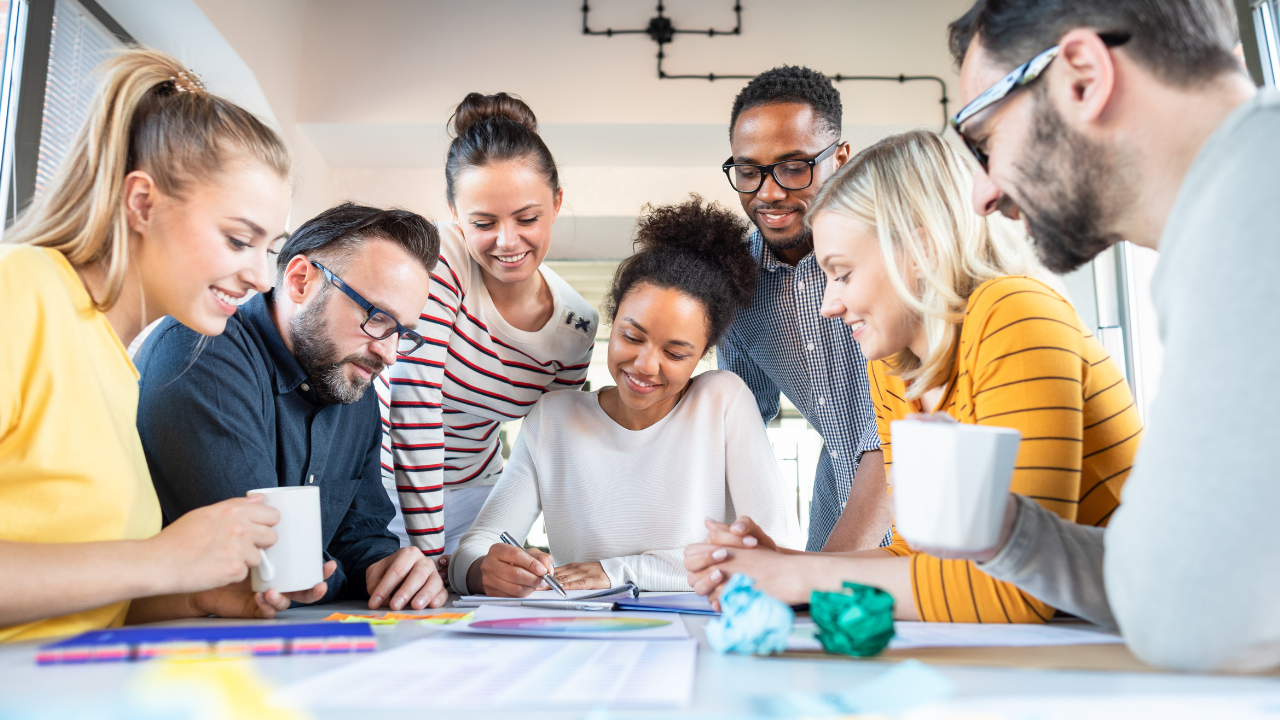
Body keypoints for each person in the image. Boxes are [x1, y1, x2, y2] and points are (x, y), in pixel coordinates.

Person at [933, 0, 1280, 670]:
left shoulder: (1256, 201)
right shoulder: (1235, 197)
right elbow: (1171, 574)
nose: (982, 195)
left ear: (1084, 77)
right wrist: (1004, 530)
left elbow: (1196, 619)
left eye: (982, 140)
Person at [684, 130, 1143, 623]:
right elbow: (913, 557)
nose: (828, 304)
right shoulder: (892, 367)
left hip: (1150, 633)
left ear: (919, 250)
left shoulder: (1014, 311)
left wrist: (799, 578)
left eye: (841, 273)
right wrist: (779, 566)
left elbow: (1020, 588)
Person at [0, 49, 302, 642]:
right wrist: (165, 558)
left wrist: (197, 593)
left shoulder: (116, 363)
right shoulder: (23, 289)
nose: (263, 278)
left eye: (270, 248)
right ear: (143, 203)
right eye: (240, 239)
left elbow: (75, 603)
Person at [451, 197, 802, 596]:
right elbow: (473, 549)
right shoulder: (554, 419)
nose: (645, 365)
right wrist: (482, 571)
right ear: (613, 320)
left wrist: (622, 570)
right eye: (631, 337)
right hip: (588, 638)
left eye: (675, 353)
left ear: (702, 354)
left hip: (696, 639)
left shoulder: (722, 401)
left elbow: (776, 553)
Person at [136, 203, 448, 612]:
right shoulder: (199, 349)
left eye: (403, 333)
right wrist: (346, 574)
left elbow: (362, 538)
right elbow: (268, 567)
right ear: (301, 281)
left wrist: (392, 571)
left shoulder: (354, 387)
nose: (389, 354)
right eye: (377, 318)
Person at [378, 92, 598, 565]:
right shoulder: (443, 254)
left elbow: (551, 448)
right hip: (379, 487)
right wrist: (430, 554)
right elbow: (414, 398)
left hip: (478, 498)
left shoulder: (575, 327)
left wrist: (575, 554)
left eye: (527, 218)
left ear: (557, 203)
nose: (507, 241)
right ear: (455, 214)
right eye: (483, 222)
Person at [717, 66, 888, 553]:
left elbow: (902, 433)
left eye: (794, 167)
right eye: (749, 171)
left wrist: (824, 570)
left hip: (933, 501)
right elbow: (741, 423)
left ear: (841, 159)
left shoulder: (892, 253)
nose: (768, 192)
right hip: (835, 511)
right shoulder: (736, 285)